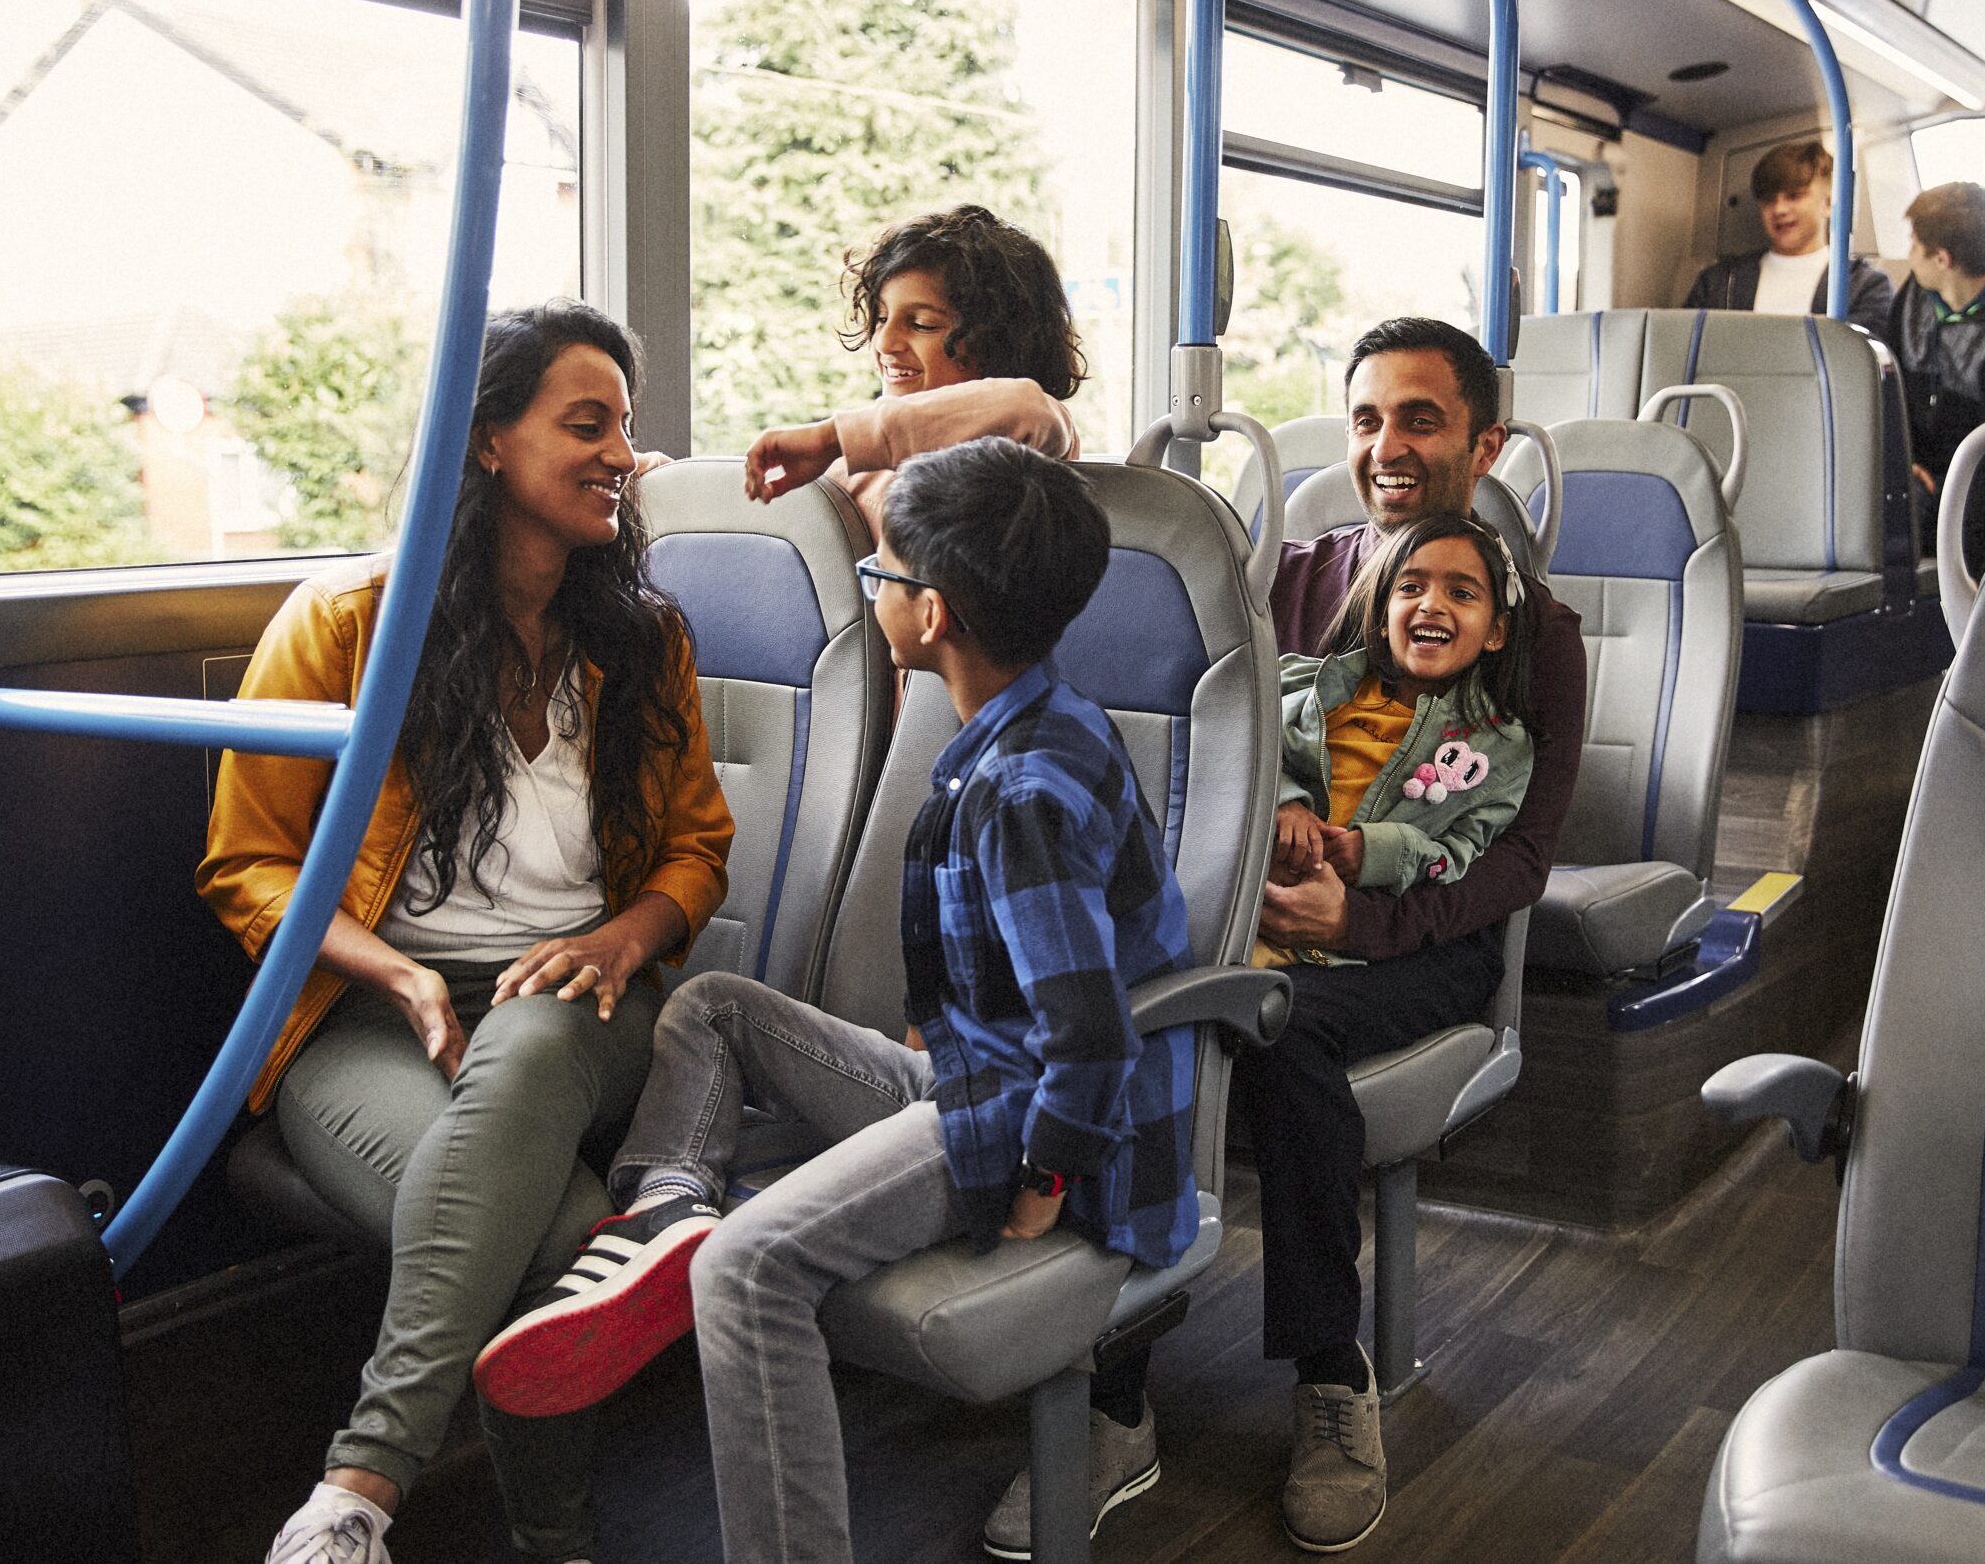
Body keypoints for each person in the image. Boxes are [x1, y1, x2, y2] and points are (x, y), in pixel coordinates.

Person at [465, 437, 1200, 1564]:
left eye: (884, 575)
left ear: (933, 612)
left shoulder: (1020, 791)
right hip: (971, 1082)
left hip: (1017, 1126)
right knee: (714, 1005)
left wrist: (1044, 1185)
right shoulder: (1029, 723)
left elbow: (1091, 1036)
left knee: (751, 1268)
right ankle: (665, 1209)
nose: (875, 592)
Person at [978, 318, 1589, 1559]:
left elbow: (1517, 860)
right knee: (1131, 1016)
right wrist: (1277, 828)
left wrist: (1361, 915)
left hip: (1427, 938)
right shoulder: (1286, 579)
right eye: (1366, 420)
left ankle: (1327, 1373)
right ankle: (1112, 1394)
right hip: (1263, 913)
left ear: (1486, 443)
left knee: (1282, 1036)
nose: (1387, 447)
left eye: (1420, 419)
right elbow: (1226, 758)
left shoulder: (1537, 631)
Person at [198, 302, 735, 1564]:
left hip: (588, 1002)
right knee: (557, 1239)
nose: (620, 454)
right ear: (488, 438)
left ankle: (358, 1489)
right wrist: (395, 974)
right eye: (583, 423)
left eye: (625, 428)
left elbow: (696, 849)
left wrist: (619, 943)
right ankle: (560, 1542)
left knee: (539, 1032)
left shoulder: (645, 640)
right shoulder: (344, 627)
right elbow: (247, 862)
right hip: (370, 1014)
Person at [1258, 513, 1538, 966]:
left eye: (1461, 594)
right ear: (1384, 619)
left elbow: (1460, 853)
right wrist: (1285, 802)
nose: (1430, 605)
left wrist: (1380, 852)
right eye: (1410, 588)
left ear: (1495, 633)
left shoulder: (1499, 748)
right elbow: (1243, 755)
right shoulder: (1307, 684)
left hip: (1342, 948)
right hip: (1249, 897)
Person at [740, 203, 1084, 536]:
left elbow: (1025, 406)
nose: (885, 342)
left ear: (1003, 341)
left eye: (922, 325)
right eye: (881, 319)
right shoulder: (848, 466)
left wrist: (830, 438)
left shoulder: (1027, 448)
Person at [1890, 180, 1985, 569]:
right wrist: (1897, 459)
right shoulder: (1914, 298)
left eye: (1913, 245)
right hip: (1923, 464)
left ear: (1942, 259)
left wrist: (1956, 561)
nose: (1910, 255)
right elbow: (1885, 390)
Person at [1683, 138, 1894, 342]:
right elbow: (1684, 347)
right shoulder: (1718, 281)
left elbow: (1861, 365)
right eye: (1768, 199)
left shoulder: (1866, 286)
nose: (1779, 209)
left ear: (1828, 204)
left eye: (1794, 196)